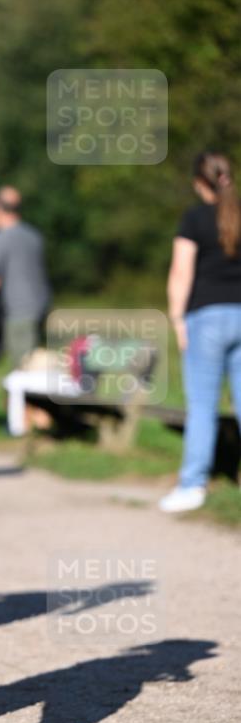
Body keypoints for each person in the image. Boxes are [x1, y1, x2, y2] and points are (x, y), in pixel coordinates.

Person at [159, 152, 241, 513]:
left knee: (202, 408)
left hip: (206, 319)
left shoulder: (193, 218)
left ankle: (193, 485)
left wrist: (177, 320)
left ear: (199, 183)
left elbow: (181, 272)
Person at [0, 185, 51, 369]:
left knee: (23, 370)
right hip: (42, 306)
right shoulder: (34, 236)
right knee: (36, 360)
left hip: (18, 311)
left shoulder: (0, 237)